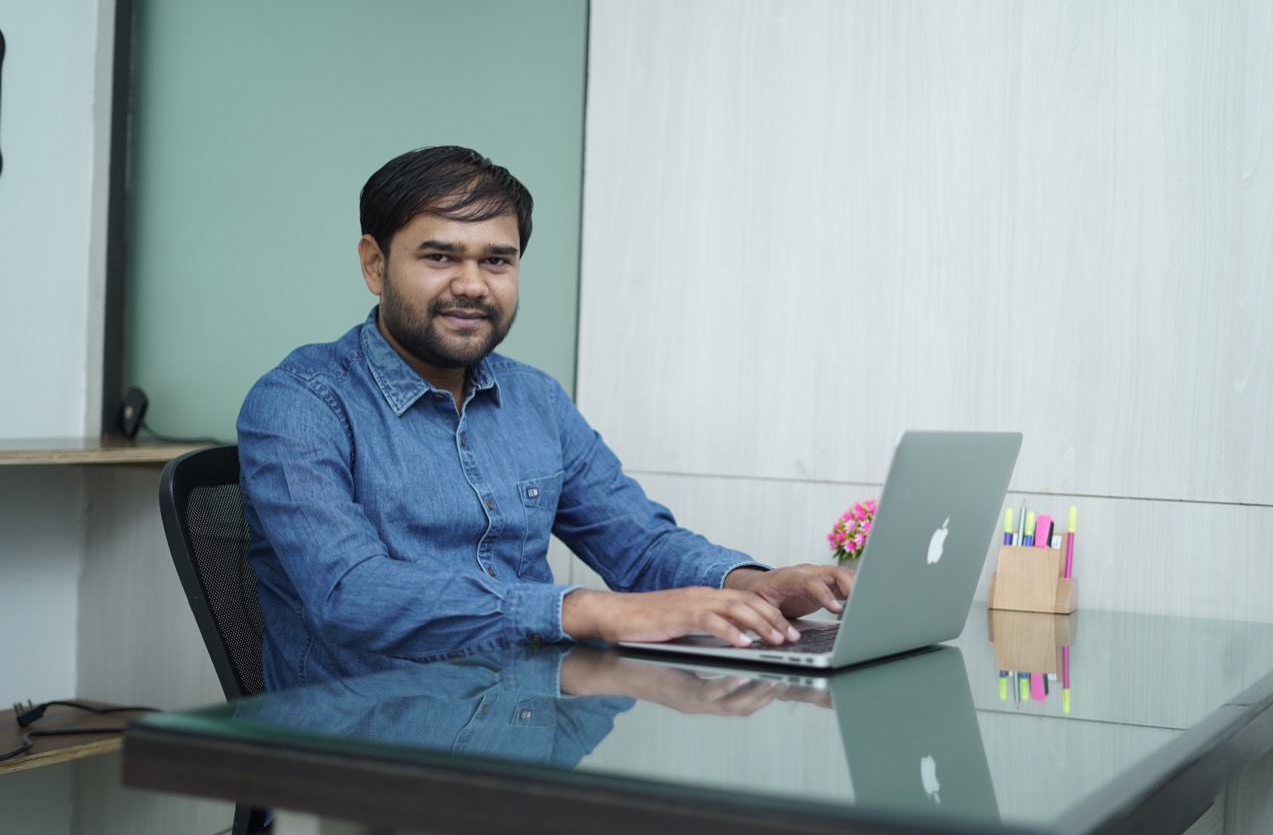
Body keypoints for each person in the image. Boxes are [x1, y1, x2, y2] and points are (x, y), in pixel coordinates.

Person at [238, 146, 853, 691]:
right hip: (363, 751)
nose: (472, 285)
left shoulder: (536, 399)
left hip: (526, 725)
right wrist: (584, 610)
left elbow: (639, 545)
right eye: (440, 256)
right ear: (375, 264)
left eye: (497, 261)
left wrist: (747, 583)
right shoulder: (299, 403)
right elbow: (349, 592)